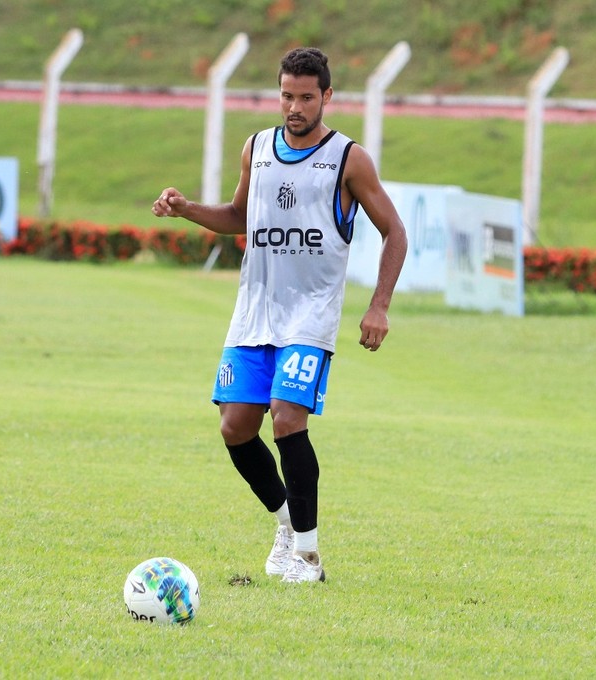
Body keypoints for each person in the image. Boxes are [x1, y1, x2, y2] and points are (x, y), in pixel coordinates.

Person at [152, 47, 407, 583]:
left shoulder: (348, 159)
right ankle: (287, 524)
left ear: (327, 96)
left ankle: (308, 558)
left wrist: (379, 305)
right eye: (287, 95)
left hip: (310, 315)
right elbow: (238, 216)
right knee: (235, 427)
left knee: (287, 417)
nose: (294, 107)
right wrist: (187, 208)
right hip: (254, 313)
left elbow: (395, 232)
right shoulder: (258, 148)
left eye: (306, 98)